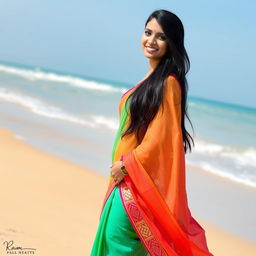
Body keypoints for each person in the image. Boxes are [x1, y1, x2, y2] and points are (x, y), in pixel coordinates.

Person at [90, 9, 214, 256]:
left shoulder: (168, 84)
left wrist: (125, 165)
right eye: (148, 33)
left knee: (118, 245)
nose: (151, 41)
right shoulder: (150, 80)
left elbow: (159, 138)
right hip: (123, 184)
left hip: (134, 188)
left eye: (161, 36)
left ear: (172, 43)